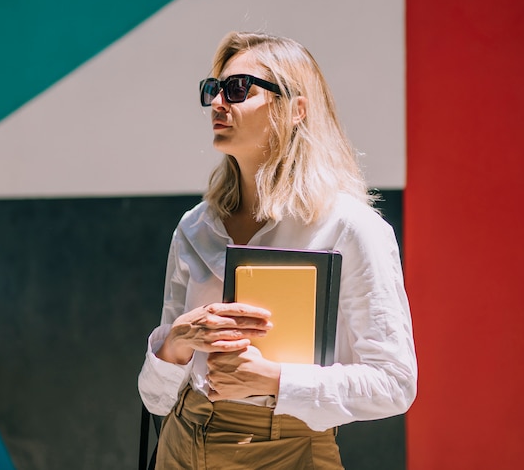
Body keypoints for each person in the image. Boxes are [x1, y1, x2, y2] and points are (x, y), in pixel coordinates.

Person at [138, 31, 417, 469]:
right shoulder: (195, 227)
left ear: (296, 109)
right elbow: (156, 398)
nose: (217, 103)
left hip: (284, 450)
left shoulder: (348, 228)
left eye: (237, 89)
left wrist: (276, 380)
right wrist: (175, 344)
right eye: (213, 89)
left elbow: (394, 383)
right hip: (181, 440)